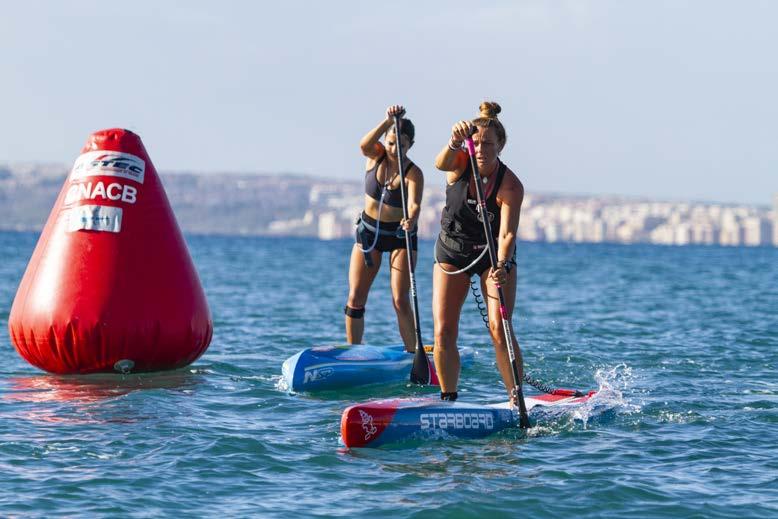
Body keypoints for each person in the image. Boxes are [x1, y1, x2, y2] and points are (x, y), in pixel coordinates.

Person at [432, 101, 525, 403]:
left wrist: (502, 264)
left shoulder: (510, 185)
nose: (482, 149)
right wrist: (454, 141)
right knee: (444, 331)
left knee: (500, 329)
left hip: (492, 256)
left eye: (489, 144)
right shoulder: (459, 162)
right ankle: (448, 398)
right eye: (477, 142)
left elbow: (507, 233)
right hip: (452, 252)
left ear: (500, 146)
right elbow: (440, 164)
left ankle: (516, 398)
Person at [345, 105, 424, 352]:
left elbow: (414, 204)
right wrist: (387, 121)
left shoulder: (413, 173)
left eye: (401, 145)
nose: (394, 149)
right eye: (391, 143)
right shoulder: (375, 155)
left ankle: (413, 354)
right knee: (355, 297)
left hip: (400, 236)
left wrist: (412, 219)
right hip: (369, 234)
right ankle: (354, 352)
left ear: (410, 145)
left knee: (400, 299)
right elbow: (364, 144)